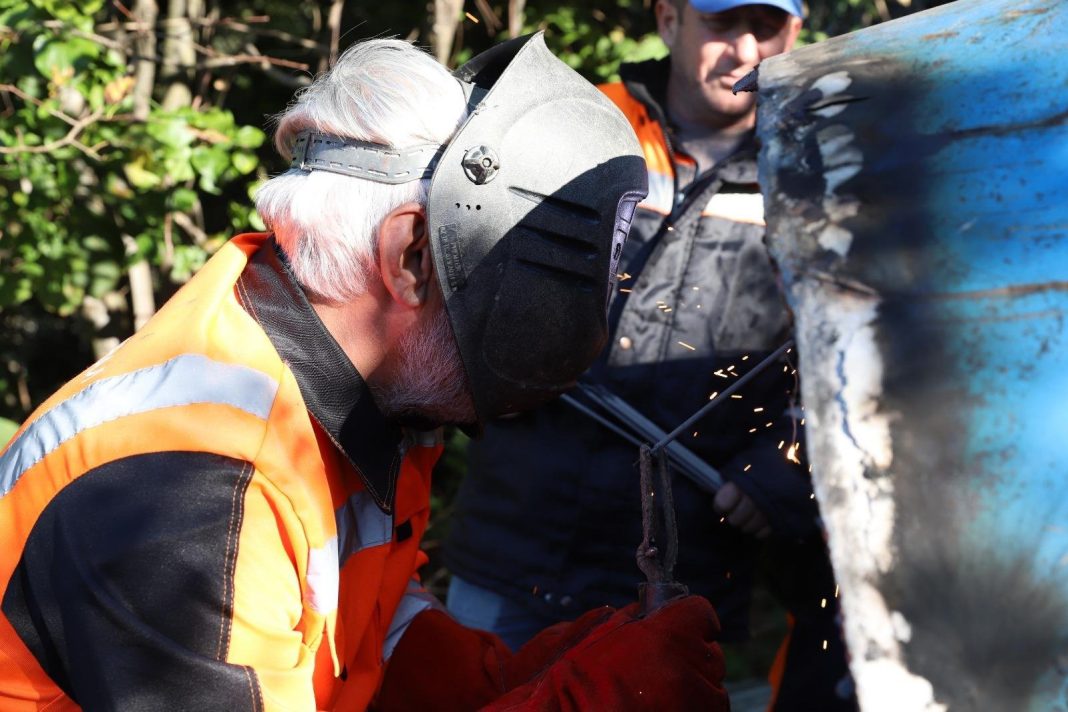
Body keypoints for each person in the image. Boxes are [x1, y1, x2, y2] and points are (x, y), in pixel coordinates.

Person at [0, 35, 730, 711]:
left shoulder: (355, 393)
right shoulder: (192, 497)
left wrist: (498, 680)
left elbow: (357, 636)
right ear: (412, 254)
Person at [445, 2, 856, 709]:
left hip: (681, 572)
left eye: (768, 28)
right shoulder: (580, 130)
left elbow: (858, 360)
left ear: (797, 32)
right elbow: (466, 281)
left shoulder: (827, 172)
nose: (745, 49)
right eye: (724, 25)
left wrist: (789, 466)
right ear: (670, 21)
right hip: (514, 540)